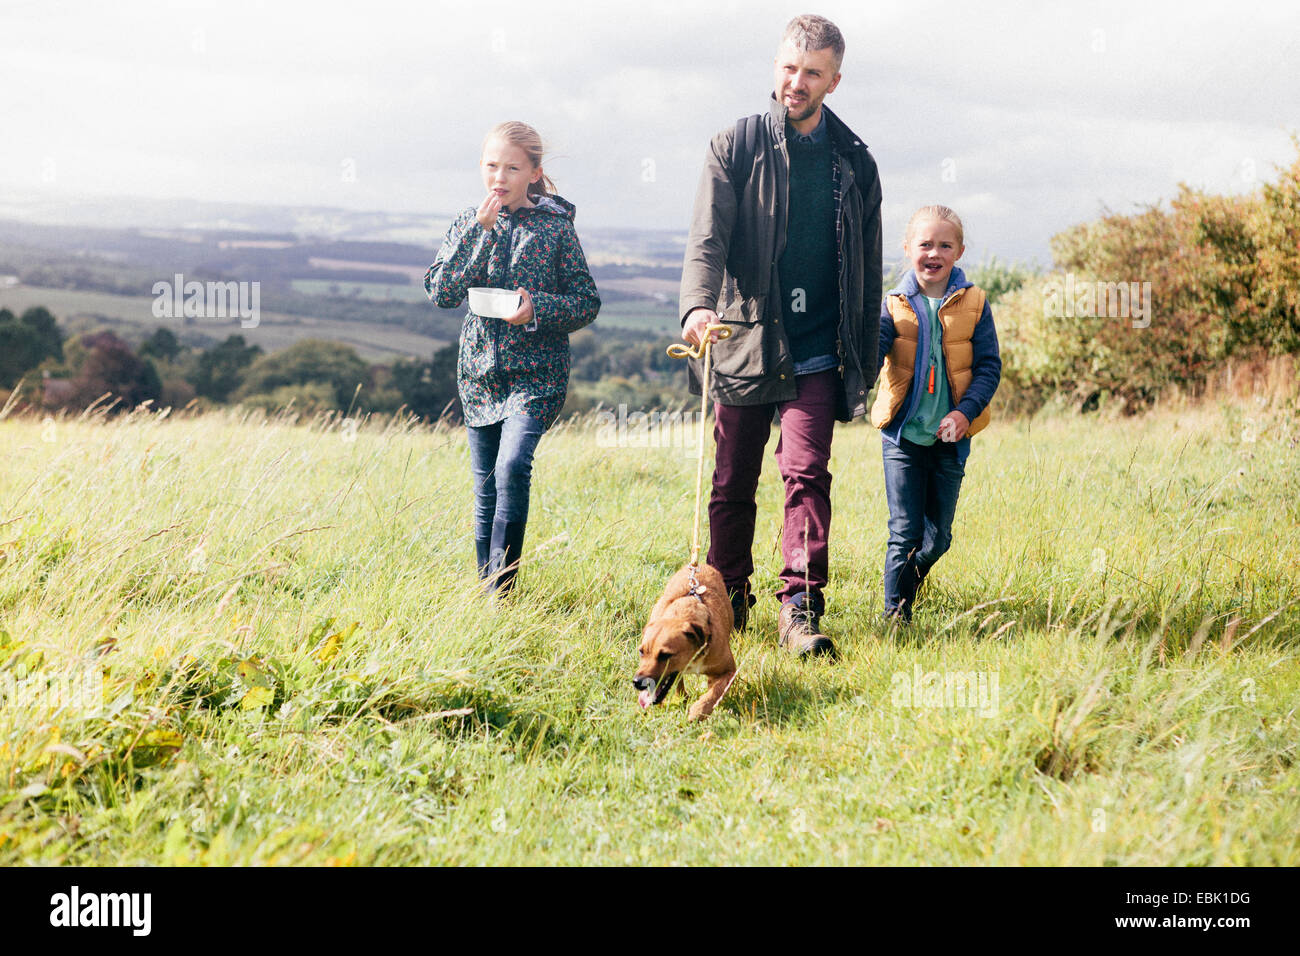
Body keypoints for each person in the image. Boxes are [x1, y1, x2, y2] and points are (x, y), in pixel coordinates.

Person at [679, 14, 882, 657]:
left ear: (835, 80)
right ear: (776, 67)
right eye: (790, 67)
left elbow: (870, 269)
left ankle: (799, 608)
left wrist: (867, 356)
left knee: (806, 474)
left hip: (820, 345)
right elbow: (706, 241)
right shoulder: (733, 147)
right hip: (742, 338)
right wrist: (696, 309)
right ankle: (727, 600)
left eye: (813, 72)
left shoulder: (855, 162)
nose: (798, 81)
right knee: (733, 481)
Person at [425, 121, 600, 596]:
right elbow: (441, 292)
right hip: (479, 376)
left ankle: (500, 590)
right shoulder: (468, 222)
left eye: (511, 167)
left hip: (537, 378)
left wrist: (537, 309)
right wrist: (479, 235)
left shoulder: (556, 230)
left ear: (534, 172)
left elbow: (586, 302)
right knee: (484, 491)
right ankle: (490, 598)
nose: (498, 177)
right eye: (490, 165)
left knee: (511, 467)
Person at [872, 205, 1001, 622]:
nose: (934, 252)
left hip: (950, 441)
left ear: (959, 251)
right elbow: (872, 353)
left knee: (938, 538)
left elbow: (988, 367)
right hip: (903, 437)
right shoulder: (892, 304)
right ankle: (896, 616)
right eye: (925, 243)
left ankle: (909, 580)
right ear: (908, 248)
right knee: (903, 532)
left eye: (945, 245)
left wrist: (965, 414)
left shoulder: (976, 302)